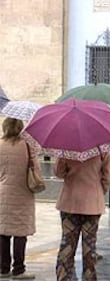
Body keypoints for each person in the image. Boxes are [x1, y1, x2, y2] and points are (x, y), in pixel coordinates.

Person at [54, 151, 110, 281]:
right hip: (92, 204)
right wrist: (99, 190)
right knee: (89, 246)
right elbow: (109, 177)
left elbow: (58, 172)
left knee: (67, 243)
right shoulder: (102, 149)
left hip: (69, 202)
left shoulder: (66, 148)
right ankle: (89, 276)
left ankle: (63, 276)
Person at [0, 117, 40, 279]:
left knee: (3, 231)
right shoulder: (29, 146)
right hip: (23, 193)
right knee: (20, 233)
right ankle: (18, 269)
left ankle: (3, 269)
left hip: (2, 193)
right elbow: (36, 169)